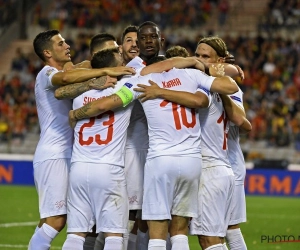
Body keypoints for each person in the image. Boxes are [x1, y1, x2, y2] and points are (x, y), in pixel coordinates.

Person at [68, 48, 239, 250]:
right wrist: (204, 67)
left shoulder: (141, 81)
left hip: (158, 161)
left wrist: (75, 114)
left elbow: (104, 103)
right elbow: (229, 87)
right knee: (179, 232)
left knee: (154, 235)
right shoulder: (192, 75)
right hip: (191, 161)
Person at [28, 29, 135, 250]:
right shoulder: (46, 74)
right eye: (60, 44)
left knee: (72, 224)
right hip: (54, 153)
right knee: (56, 221)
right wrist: (108, 69)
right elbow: (66, 79)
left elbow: (76, 73)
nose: (67, 46)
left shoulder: (75, 75)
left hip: (74, 156)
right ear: (47, 52)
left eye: (66, 42)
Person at [189, 36, 251, 250]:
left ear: (220, 61)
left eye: (205, 56)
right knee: (226, 230)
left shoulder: (222, 86)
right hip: (221, 163)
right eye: (196, 55)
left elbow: (242, 121)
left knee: (214, 235)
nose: (198, 60)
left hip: (220, 163)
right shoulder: (206, 82)